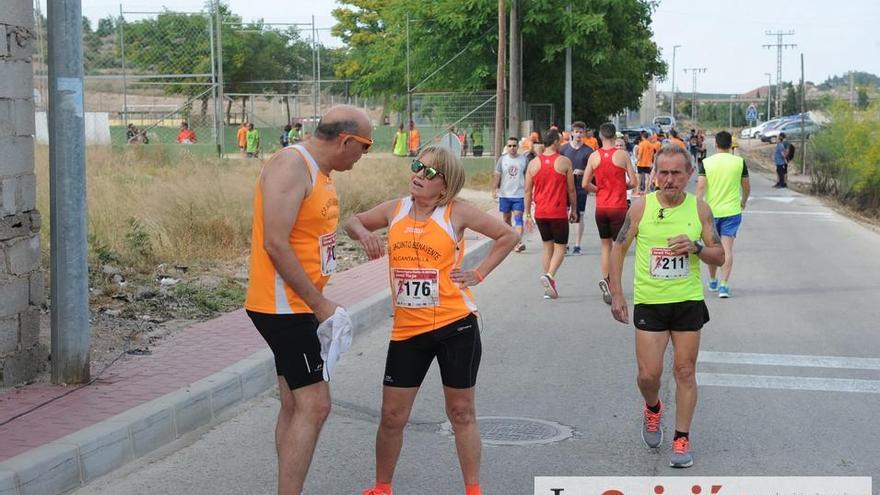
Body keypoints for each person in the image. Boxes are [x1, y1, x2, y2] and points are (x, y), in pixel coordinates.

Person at [347, 146, 518, 495]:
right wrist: (364, 234)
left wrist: (479, 273)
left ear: (446, 185)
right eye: (416, 167)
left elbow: (508, 235)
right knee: (392, 416)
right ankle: (382, 487)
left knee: (461, 413)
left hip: (455, 326)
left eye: (428, 173)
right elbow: (352, 221)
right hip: (408, 330)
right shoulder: (396, 209)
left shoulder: (456, 213)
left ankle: (473, 490)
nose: (418, 176)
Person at [244, 105, 373, 495]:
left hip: (298, 305)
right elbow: (275, 243)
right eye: (364, 147)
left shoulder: (323, 173)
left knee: (294, 404)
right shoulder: (291, 165)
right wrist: (318, 303)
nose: (363, 156)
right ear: (346, 140)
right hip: (284, 306)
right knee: (315, 405)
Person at [608, 145, 724, 469]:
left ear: (689, 175)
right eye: (664, 173)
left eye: (676, 173)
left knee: (685, 371)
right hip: (651, 302)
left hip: (687, 301)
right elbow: (618, 249)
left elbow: (720, 256)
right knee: (648, 375)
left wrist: (697, 247)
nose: (669, 179)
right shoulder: (640, 208)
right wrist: (617, 294)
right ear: (654, 174)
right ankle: (653, 408)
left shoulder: (700, 210)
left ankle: (681, 437)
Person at [582, 123, 638, 304]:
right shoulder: (622, 155)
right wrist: (623, 187)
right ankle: (615, 285)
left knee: (605, 245)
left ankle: (606, 278)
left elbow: (584, 184)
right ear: (615, 137)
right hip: (618, 207)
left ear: (600, 136)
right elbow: (634, 181)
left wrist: (598, 189)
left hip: (601, 207)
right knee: (618, 247)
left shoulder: (593, 156)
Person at [524, 129, 577, 299]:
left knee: (547, 246)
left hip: (540, 213)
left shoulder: (533, 163)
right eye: (560, 141)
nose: (561, 144)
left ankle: (548, 287)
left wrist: (527, 214)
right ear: (554, 142)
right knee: (560, 247)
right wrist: (574, 209)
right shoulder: (564, 161)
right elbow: (571, 189)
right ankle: (550, 275)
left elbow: (527, 191)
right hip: (558, 212)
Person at [696, 131, 750, 298]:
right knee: (727, 249)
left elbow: (700, 188)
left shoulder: (706, 163)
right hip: (732, 211)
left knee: (712, 249)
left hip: (710, 213)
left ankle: (712, 280)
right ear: (730, 145)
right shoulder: (740, 162)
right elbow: (746, 187)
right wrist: (744, 201)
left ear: (716, 145)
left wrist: (696, 207)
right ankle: (724, 286)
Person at [559, 121, 593, 255]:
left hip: (580, 187)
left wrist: (583, 172)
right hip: (565, 187)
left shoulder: (588, 150)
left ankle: (577, 245)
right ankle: (565, 243)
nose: (578, 134)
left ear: (584, 133)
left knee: (579, 215)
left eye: (581, 132)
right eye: (576, 131)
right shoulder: (563, 149)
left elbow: (593, 170)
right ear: (572, 133)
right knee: (564, 214)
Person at [493, 136, 529, 253]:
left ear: (518, 147)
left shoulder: (524, 159)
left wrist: (530, 191)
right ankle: (511, 240)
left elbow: (528, 177)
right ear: (507, 147)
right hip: (505, 195)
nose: (512, 148)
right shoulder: (502, 160)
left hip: (519, 195)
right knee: (506, 219)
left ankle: (518, 242)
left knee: (518, 218)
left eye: (514, 145)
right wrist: (494, 189)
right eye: (510, 146)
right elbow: (497, 175)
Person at [635, 131, 657, 195]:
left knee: (639, 177)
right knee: (647, 177)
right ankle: (646, 190)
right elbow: (653, 154)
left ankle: (638, 190)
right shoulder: (651, 145)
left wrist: (637, 161)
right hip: (648, 163)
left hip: (641, 163)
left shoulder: (641, 144)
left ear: (642, 137)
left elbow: (640, 154)